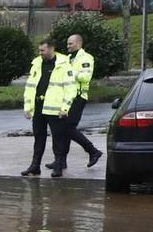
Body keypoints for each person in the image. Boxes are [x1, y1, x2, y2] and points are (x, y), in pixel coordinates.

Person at [21, 41, 80, 177]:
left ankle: (58, 166)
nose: (40, 53)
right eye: (40, 50)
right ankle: (35, 166)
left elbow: (70, 88)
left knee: (58, 139)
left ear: (52, 49)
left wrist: (65, 108)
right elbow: (30, 87)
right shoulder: (37, 63)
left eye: (43, 50)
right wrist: (27, 107)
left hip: (55, 109)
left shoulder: (64, 64)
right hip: (39, 107)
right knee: (38, 138)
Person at [60, 33, 103, 168]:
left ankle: (93, 151)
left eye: (70, 44)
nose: (68, 46)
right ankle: (61, 161)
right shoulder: (68, 58)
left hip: (78, 97)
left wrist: (70, 73)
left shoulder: (86, 58)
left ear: (78, 44)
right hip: (68, 97)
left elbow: (85, 77)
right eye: (67, 44)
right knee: (64, 128)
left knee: (68, 127)